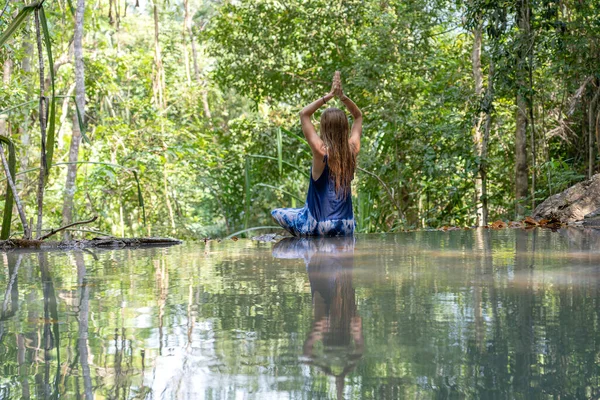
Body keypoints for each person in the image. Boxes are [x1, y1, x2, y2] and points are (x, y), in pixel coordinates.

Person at [271, 71, 363, 236]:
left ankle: (306, 241)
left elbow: (304, 114)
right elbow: (358, 116)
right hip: (346, 225)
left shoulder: (321, 151)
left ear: (324, 128)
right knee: (302, 211)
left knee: (277, 212)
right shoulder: (353, 149)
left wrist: (329, 96)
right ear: (345, 128)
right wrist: (342, 97)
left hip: (318, 226)